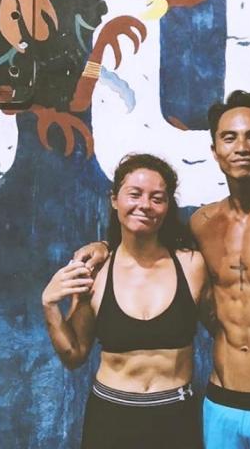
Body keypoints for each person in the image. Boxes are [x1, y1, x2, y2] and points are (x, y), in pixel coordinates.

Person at [76, 90, 250, 449]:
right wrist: (103, 248)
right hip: (219, 405)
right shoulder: (202, 224)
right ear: (215, 150)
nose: (242, 147)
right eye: (229, 137)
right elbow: (146, 245)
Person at [42, 153, 207, 449]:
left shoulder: (191, 265)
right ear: (114, 200)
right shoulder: (96, 271)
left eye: (157, 198)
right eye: (135, 194)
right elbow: (74, 355)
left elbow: (230, 328)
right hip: (111, 419)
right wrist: (49, 305)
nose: (145, 205)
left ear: (167, 207)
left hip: (175, 418)